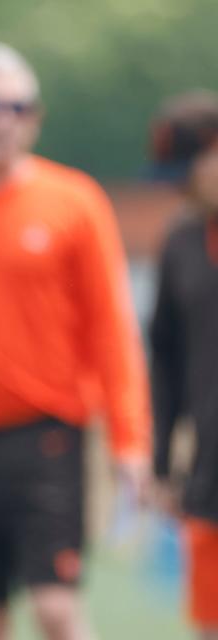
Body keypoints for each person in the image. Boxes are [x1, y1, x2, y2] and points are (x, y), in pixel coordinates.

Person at [0, 42, 152, 640]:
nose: (2, 121)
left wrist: (130, 439)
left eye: (19, 108)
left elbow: (111, 330)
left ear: (35, 117)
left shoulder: (74, 203)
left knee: (55, 609)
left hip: (46, 436)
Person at [148, 90, 218, 640]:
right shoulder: (183, 244)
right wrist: (161, 460)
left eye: (185, 170)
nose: (178, 185)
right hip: (211, 474)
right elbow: (165, 359)